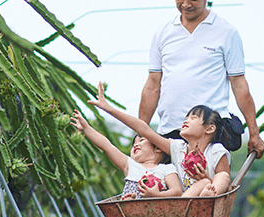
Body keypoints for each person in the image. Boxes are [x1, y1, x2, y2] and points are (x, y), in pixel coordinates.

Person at [138, 0, 264, 217]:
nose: (186, 4)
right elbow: (153, 85)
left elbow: (239, 85)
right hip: (170, 132)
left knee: (211, 201)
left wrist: (254, 131)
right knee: (166, 202)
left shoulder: (225, 32)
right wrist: (142, 130)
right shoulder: (163, 33)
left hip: (210, 132)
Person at [88, 83, 232, 197]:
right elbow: (144, 129)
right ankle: (187, 203)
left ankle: (207, 196)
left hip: (208, 200)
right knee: (204, 182)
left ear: (209, 129)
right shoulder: (178, 148)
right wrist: (109, 109)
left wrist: (206, 178)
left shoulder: (216, 152)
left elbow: (228, 188)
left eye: (193, 118)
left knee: (221, 177)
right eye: (186, 117)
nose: (186, 120)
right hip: (186, 202)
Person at [70, 109, 182, 199]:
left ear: (158, 148)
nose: (135, 145)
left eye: (141, 140)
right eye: (133, 144)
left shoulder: (167, 169)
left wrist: (156, 195)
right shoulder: (130, 165)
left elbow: (177, 191)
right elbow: (107, 146)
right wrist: (87, 128)